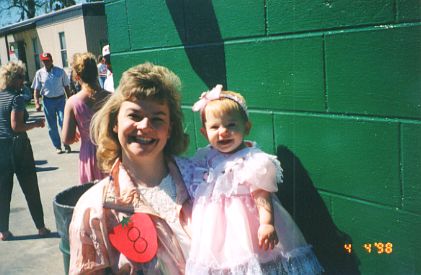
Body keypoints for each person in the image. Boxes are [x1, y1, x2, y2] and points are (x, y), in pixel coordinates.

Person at [69, 62, 193, 274]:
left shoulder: (200, 181)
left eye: (157, 118)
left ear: (170, 129)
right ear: (115, 122)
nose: (145, 125)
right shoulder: (95, 208)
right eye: (135, 116)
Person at [186, 84, 324, 274]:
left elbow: (261, 194)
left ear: (247, 127)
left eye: (231, 125)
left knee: (253, 263)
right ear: (204, 132)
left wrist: (266, 223)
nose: (223, 131)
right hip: (217, 232)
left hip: (248, 226)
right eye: (215, 127)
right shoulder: (205, 156)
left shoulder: (253, 159)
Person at [0, 61, 51, 241]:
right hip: (19, 146)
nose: (23, 81)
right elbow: (17, 126)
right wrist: (36, 124)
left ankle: (3, 231)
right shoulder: (17, 98)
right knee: (30, 189)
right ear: (13, 78)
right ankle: (41, 227)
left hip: (1, 148)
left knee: (3, 191)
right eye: (21, 77)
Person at [62, 52, 110, 184]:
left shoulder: (72, 103)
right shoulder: (111, 98)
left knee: (92, 198)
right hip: (110, 152)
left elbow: (66, 139)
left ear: (77, 76)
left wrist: (77, 133)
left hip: (89, 155)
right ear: (96, 72)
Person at [31, 52, 72, 154]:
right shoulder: (39, 73)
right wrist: (37, 102)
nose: (46, 63)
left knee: (63, 121)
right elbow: (36, 90)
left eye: (47, 60)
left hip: (60, 100)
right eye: (44, 61)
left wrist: (70, 100)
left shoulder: (60, 71)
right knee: (51, 125)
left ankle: (66, 143)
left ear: (51, 60)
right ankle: (57, 146)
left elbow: (66, 86)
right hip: (47, 101)